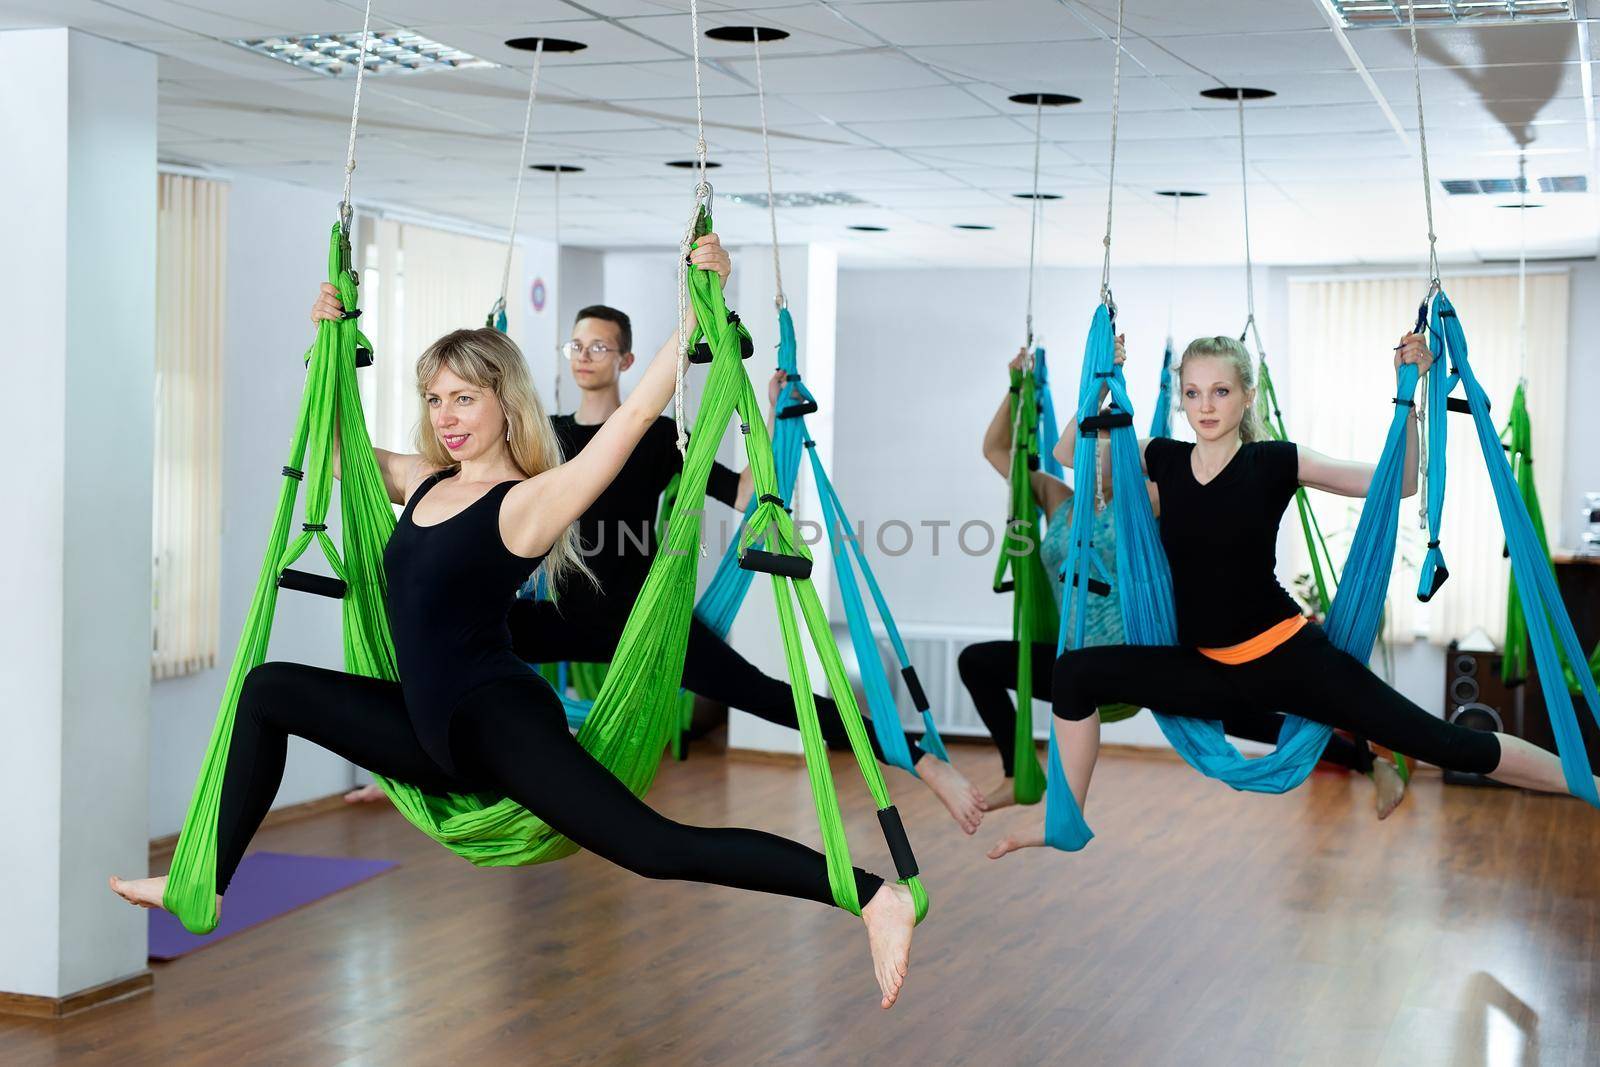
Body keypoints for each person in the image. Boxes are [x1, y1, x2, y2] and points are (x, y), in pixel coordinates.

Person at [109, 235, 916, 1010]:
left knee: (656, 848)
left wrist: (700, 308)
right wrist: (328, 344)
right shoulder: (423, 482)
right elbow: (334, 450)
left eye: (465, 397)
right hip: (427, 729)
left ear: (505, 401)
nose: (448, 415)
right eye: (434, 398)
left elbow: (635, 417)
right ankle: (209, 875)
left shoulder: (530, 501)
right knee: (270, 686)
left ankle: (871, 894)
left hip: (496, 724)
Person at [351, 303, 986, 834]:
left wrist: (773, 421)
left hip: (642, 621)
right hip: (560, 615)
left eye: (601, 346)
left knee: (770, 696)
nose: (585, 355)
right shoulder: (535, 437)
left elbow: (746, 494)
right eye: (577, 343)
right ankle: (415, 764)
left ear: (626, 361)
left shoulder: (653, 436)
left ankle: (921, 759)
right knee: (431, 639)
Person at [985, 331, 1586, 858]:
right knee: (1073, 676)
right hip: (1204, 666)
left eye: (1220, 392)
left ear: (1246, 396)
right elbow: (1070, 454)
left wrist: (1409, 401)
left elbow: (1397, 485)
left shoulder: (1275, 461)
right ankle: (1067, 820)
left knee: (1443, 741)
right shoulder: (1160, 459)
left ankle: (1586, 783)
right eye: (1192, 393)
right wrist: (1098, 378)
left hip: (1289, 659)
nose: (1205, 406)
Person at [962, 346, 1399, 816]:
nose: (1106, 461)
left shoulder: (1149, 499)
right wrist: (1039, 387)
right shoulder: (1056, 498)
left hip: (1139, 647)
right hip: (1073, 652)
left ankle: (1367, 760)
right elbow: (1004, 450)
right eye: (1103, 452)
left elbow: (1208, 495)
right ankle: (1017, 773)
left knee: (1244, 715)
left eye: (1113, 454)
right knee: (978, 662)